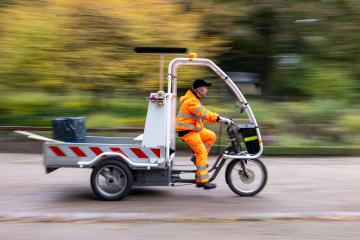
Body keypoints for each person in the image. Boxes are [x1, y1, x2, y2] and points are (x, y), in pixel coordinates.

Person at [175, 79, 233, 189]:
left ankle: (198, 159)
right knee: (201, 153)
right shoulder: (191, 101)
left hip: (194, 129)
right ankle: (202, 180)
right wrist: (219, 118)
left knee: (211, 136)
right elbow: (204, 113)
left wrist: (219, 120)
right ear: (199, 89)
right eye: (205, 87)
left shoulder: (195, 100)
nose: (206, 90)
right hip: (188, 132)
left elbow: (201, 117)